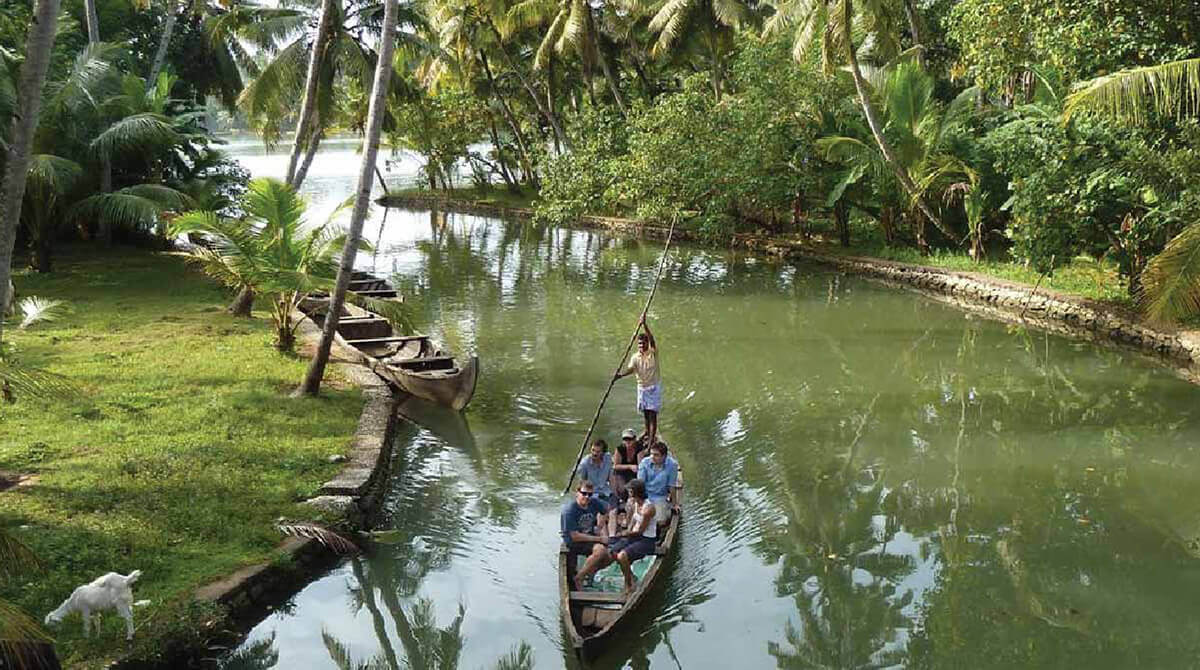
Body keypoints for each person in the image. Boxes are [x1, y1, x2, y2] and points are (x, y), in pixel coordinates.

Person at [614, 315, 661, 449]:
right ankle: (647, 433)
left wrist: (644, 324)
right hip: (642, 388)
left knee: (653, 416)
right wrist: (620, 376)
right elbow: (631, 369)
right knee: (645, 414)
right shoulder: (635, 357)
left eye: (643, 343)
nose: (641, 345)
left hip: (653, 388)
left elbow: (652, 340)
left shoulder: (652, 353)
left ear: (647, 344)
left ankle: (651, 443)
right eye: (639, 343)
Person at [607, 479, 657, 593]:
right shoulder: (635, 503)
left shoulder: (648, 509)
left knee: (622, 556)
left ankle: (628, 584)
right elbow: (632, 522)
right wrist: (626, 533)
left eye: (630, 491)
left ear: (636, 492)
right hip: (634, 537)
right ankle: (630, 575)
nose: (628, 493)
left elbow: (640, 531)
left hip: (646, 540)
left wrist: (624, 534)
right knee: (612, 551)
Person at [561, 481, 610, 574]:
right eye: (584, 493)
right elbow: (575, 536)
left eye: (590, 494)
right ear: (577, 493)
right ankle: (579, 577)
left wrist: (600, 526)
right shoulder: (569, 511)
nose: (587, 497)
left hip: (589, 537)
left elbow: (607, 509)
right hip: (574, 542)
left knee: (609, 556)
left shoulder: (593, 502)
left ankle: (587, 572)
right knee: (600, 550)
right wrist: (599, 538)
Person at [576, 438, 618, 536]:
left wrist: (615, 494)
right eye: (593, 450)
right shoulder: (584, 463)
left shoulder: (608, 458)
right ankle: (605, 537)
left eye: (598, 452)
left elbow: (611, 478)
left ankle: (612, 536)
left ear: (603, 453)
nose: (594, 453)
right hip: (592, 494)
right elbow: (581, 483)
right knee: (601, 513)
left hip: (606, 491)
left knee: (613, 511)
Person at [637, 440, 678, 527]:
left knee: (660, 522)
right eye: (651, 454)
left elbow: (672, 486)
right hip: (646, 495)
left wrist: (675, 504)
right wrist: (639, 502)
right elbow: (640, 484)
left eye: (656, 455)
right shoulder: (645, 463)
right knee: (641, 517)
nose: (652, 457)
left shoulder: (672, 465)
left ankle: (668, 509)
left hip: (660, 496)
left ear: (664, 456)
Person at [612, 428, 645, 499]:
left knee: (635, 488)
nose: (627, 441)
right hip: (621, 472)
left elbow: (641, 465)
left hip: (634, 473)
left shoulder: (639, 448)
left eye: (630, 439)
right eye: (625, 439)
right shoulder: (620, 449)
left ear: (635, 439)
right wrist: (630, 466)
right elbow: (615, 466)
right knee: (622, 490)